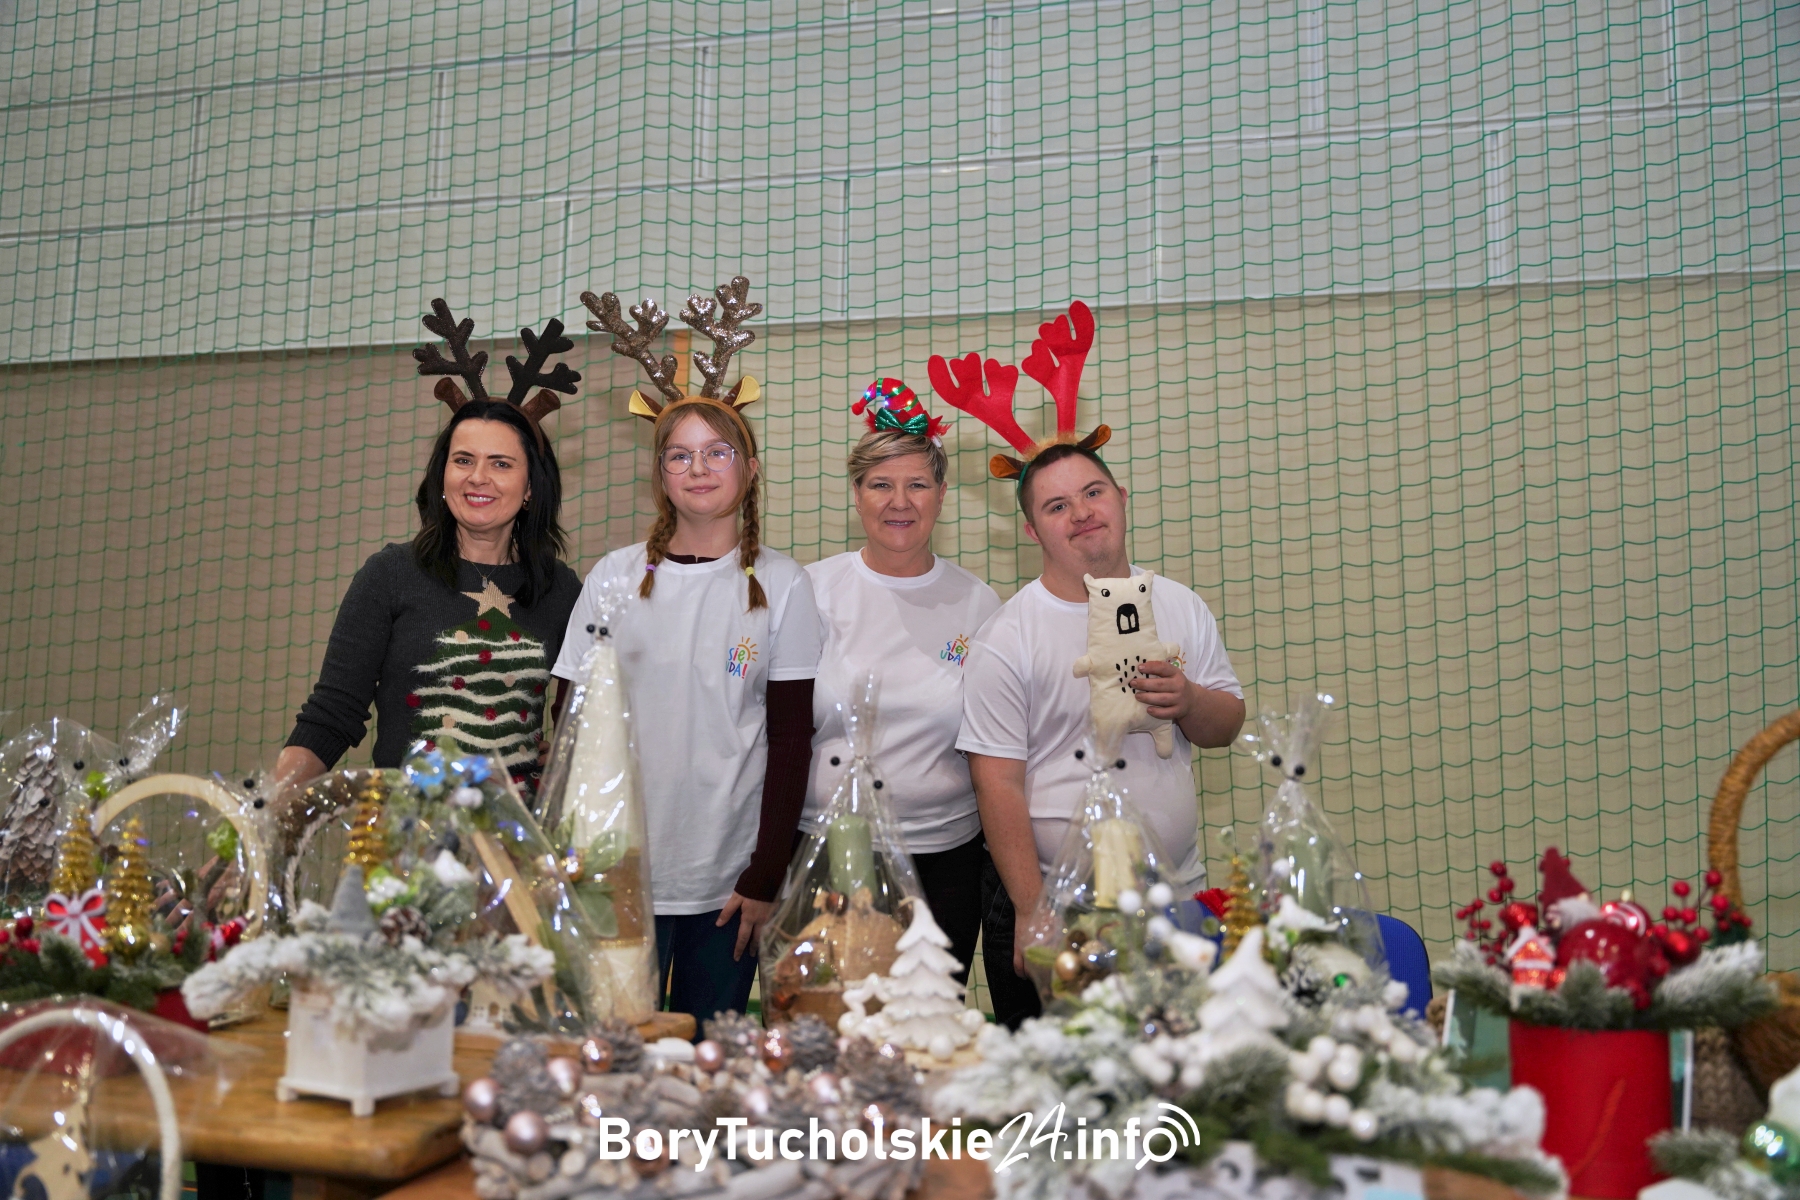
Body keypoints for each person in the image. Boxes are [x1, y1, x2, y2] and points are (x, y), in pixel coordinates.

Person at [931, 301, 1246, 1028]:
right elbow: (997, 781)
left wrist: (1186, 700)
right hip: (1057, 910)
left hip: (1175, 897)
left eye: (1093, 493)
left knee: (1175, 1092)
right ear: (1033, 527)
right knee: (1064, 1114)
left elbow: (1226, 722)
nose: (1081, 514)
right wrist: (1035, 909)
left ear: (1121, 498)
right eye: (1057, 506)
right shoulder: (1009, 636)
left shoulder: (1179, 603)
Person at [555, 278, 821, 1025]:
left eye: (717, 452)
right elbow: (571, 725)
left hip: (725, 885)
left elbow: (791, 739)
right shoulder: (613, 578)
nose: (698, 469)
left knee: (710, 1068)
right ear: (660, 474)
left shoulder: (781, 583)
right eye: (679, 455)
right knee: (615, 1056)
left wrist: (766, 875)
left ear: (749, 466)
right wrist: (578, 858)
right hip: (619, 874)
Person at [278, 302, 583, 794]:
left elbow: (587, 718)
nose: (478, 477)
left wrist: (567, 755)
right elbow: (332, 716)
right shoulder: (391, 574)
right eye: (464, 460)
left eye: (501, 464)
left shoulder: (561, 589)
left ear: (531, 489)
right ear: (442, 477)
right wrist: (262, 814)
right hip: (404, 846)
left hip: (516, 851)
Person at [803, 379, 1000, 982]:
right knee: (827, 1027)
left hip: (946, 862)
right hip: (823, 855)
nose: (900, 501)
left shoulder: (979, 604)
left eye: (917, 484)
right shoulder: (808, 591)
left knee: (929, 1034)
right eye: (881, 485)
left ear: (941, 495)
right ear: (857, 495)